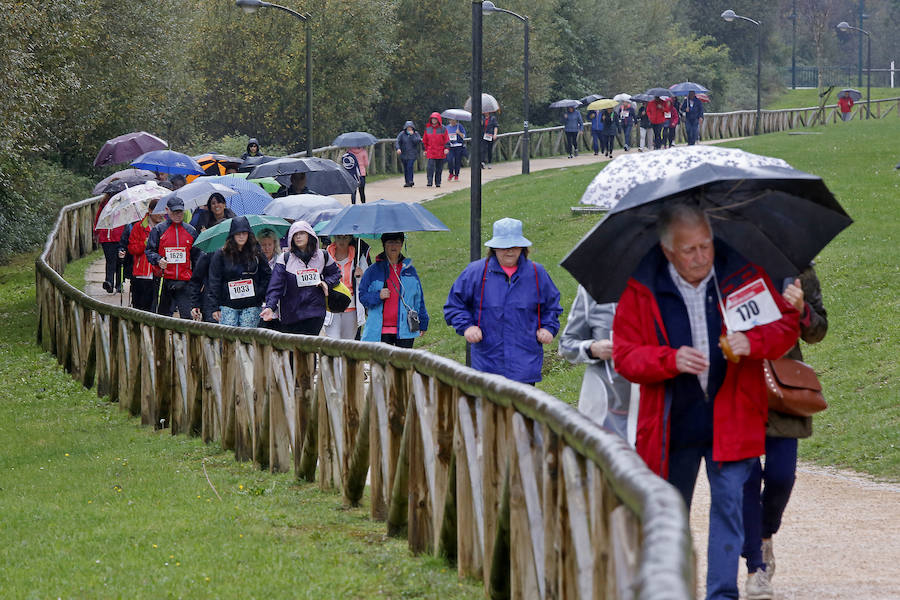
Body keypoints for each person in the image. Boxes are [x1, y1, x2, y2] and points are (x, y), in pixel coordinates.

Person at [611, 203, 799, 600]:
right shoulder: (641, 287)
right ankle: (670, 590)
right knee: (668, 516)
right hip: (670, 425)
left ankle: (722, 594)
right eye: (689, 250)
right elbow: (626, 356)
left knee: (730, 506)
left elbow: (784, 326)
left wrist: (754, 341)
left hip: (732, 418)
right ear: (667, 251)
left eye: (706, 245)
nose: (701, 257)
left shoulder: (741, 273)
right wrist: (669, 359)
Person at [741, 264, 828, 600]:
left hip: (782, 386)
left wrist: (801, 309)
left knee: (781, 476)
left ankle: (764, 535)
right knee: (746, 479)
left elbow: (818, 330)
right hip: (739, 385)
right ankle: (756, 567)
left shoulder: (798, 268)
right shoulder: (726, 265)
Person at [444, 218, 562, 385]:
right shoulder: (475, 272)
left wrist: (548, 328)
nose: (509, 251)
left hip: (524, 366)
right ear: (494, 248)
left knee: (522, 411)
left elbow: (551, 306)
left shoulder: (537, 273)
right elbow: (454, 305)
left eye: (514, 246)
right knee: (488, 411)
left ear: (522, 247)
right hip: (487, 366)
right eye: (504, 247)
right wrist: (467, 327)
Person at [559, 287, 632, 440]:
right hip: (604, 410)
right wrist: (592, 349)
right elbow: (566, 344)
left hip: (650, 407)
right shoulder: (591, 292)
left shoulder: (657, 287)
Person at [260, 220, 339, 335]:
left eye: (302, 233)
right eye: (295, 234)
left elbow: (336, 274)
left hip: (315, 312)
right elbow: (275, 286)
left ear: (309, 234)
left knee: (310, 349)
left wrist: (326, 282)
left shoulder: (323, 255)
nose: (298, 237)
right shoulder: (285, 258)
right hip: (291, 314)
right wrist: (270, 307)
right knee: (293, 351)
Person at [358, 232, 429, 348]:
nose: (394, 246)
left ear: (401, 245)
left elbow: (418, 298)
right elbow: (363, 297)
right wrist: (378, 296)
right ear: (384, 245)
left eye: (397, 242)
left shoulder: (410, 270)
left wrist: (423, 321)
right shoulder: (372, 271)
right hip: (380, 331)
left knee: (403, 365)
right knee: (382, 365)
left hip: (406, 330)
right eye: (390, 242)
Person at [206, 216, 271, 328]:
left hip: (252, 304)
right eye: (238, 233)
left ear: (248, 234)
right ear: (232, 235)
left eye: (244, 233)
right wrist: (214, 307)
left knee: (247, 339)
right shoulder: (221, 254)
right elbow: (214, 281)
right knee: (229, 339)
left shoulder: (256, 252)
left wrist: (259, 294)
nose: (241, 236)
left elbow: (267, 275)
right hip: (227, 305)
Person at [145, 196, 202, 319]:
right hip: (163, 280)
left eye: (180, 212)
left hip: (184, 281)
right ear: (167, 210)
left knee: (187, 317)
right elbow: (149, 251)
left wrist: (198, 278)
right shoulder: (158, 230)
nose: (178, 215)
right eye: (174, 212)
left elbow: (197, 256)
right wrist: (158, 259)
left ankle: (185, 338)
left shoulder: (191, 231)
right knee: (162, 317)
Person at [324, 234, 369, 340]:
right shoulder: (326, 256)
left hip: (351, 307)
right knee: (333, 342)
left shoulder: (358, 257)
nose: (342, 241)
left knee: (348, 343)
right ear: (334, 238)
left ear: (350, 239)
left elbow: (367, 283)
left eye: (345, 237)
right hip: (332, 307)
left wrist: (361, 276)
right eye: (339, 237)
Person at [125, 198, 164, 312]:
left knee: (154, 307)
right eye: (158, 211)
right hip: (141, 273)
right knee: (139, 306)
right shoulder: (138, 227)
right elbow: (132, 248)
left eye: (163, 211)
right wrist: (145, 244)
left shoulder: (165, 227)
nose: (161, 214)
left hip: (158, 272)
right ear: (150, 211)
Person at [93, 192, 125, 293]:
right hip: (108, 236)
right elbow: (98, 218)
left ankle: (118, 283)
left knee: (118, 261)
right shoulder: (104, 204)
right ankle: (110, 283)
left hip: (119, 235)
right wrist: (96, 232)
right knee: (111, 260)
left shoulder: (123, 203)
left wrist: (96, 233)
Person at [422, 112, 450, 188]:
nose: (434, 120)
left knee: (439, 168)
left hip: (440, 151)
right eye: (432, 119)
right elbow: (425, 140)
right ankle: (429, 181)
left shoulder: (443, 129)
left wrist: (447, 148)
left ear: (438, 120)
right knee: (430, 167)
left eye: (435, 119)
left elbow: (446, 139)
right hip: (431, 150)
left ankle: (438, 182)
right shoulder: (428, 128)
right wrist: (425, 149)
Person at [395, 121, 422, 188]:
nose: (409, 129)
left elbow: (417, 141)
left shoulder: (416, 134)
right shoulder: (402, 134)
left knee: (410, 166)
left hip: (412, 154)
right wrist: (398, 148)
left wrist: (412, 135)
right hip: (404, 154)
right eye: (408, 127)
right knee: (406, 168)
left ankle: (410, 180)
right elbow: (398, 141)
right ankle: (407, 182)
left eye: (410, 127)